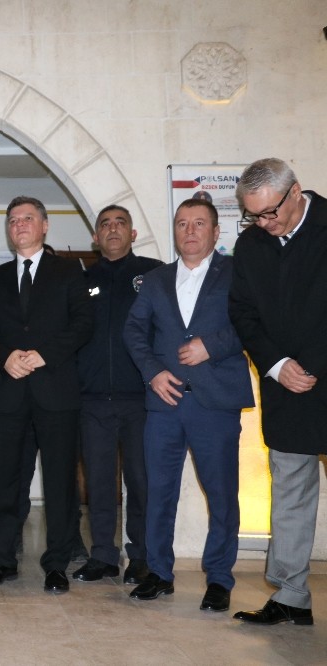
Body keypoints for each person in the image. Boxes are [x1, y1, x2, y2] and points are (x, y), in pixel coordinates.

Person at [124, 198, 253, 612]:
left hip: (215, 403)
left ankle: (218, 578)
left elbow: (253, 323)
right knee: (157, 492)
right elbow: (134, 331)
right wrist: (152, 372)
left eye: (199, 223)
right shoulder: (155, 280)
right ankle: (159, 573)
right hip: (164, 402)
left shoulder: (237, 275)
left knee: (221, 494)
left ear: (217, 233)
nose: (190, 231)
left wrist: (210, 346)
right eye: (182, 224)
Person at [0, 196, 92, 594]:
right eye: (12, 220)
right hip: (6, 393)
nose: (19, 224)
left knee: (59, 484)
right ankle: (1, 560)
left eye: (27, 218)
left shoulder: (70, 271)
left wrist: (43, 355)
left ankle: (56, 563)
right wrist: (6, 357)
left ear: (44, 225)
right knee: (4, 482)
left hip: (56, 392)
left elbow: (82, 323)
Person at [230, 158, 326, 626]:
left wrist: (311, 364)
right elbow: (243, 313)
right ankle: (291, 596)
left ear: (296, 192)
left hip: (322, 375)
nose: (264, 224)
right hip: (285, 387)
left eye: (270, 213)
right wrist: (276, 364)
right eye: (255, 216)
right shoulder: (250, 245)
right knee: (289, 489)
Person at [72, 205, 162, 585]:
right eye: (105, 225)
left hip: (140, 398)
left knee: (141, 481)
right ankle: (104, 556)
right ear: (95, 236)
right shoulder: (81, 279)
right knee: (99, 483)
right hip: (92, 400)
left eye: (119, 223)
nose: (112, 230)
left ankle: (140, 555)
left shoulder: (154, 274)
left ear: (132, 232)